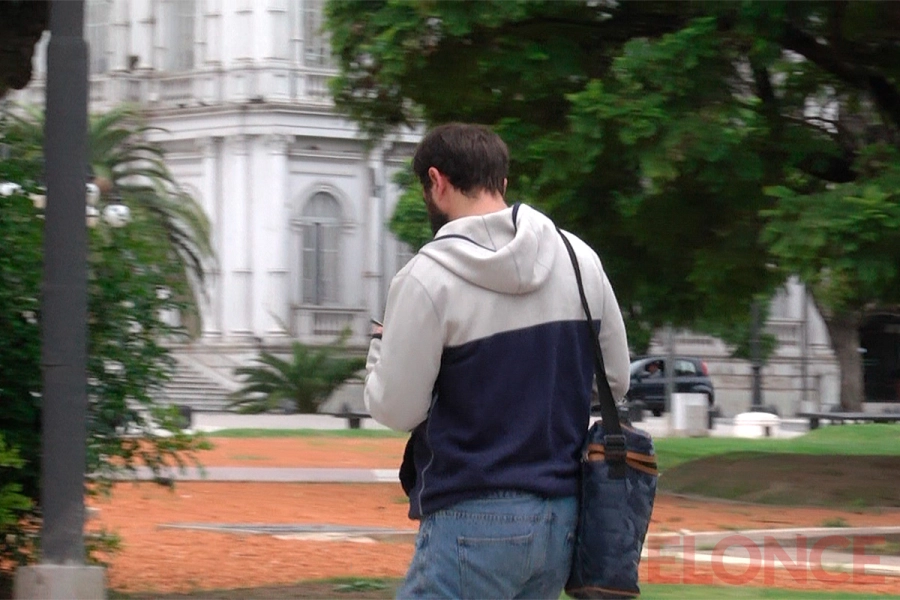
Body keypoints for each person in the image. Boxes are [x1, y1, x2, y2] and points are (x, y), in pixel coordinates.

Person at [364, 123, 630, 599]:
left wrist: (380, 350)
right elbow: (615, 379)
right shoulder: (579, 258)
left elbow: (397, 409)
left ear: (436, 182)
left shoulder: (426, 277)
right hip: (563, 515)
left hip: (470, 510)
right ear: (502, 183)